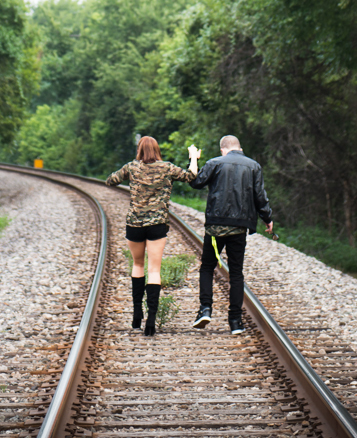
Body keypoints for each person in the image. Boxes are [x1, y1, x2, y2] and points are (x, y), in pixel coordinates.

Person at [106, 136, 201, 336]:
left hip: (135, 223)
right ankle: (151, 320)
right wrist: (193, 157)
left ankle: (136, 315)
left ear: (140, 150)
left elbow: (111, 181)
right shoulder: (167, 167)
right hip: (157, 224)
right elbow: (191, 176)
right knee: (154, 269)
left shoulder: (132, 167)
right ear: (157, 150)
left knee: (138, 265)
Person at [190, 134, 273, 335]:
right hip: (239, 227)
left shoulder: (214, 163)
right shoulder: (253, 166)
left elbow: (196, 182)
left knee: (207, 267)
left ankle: (205, 309)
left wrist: (193, 158)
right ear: (239, 148)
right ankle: (235, 321)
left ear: (223, 149)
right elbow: (259, 196)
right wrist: (267, 217)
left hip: (215, 226)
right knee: (236, 273)